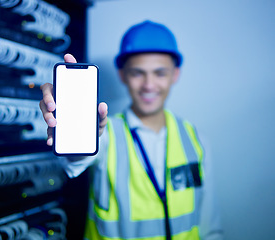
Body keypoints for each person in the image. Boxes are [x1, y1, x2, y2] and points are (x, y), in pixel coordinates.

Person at [39, 20, 223, 240]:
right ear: (122, 75)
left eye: (160, 73)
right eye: (137, 73)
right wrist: (71, 126)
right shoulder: (105, 135)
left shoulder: (196, 140)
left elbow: (210, 226)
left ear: (175, 75)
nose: (148, 84)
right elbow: (76, 159)